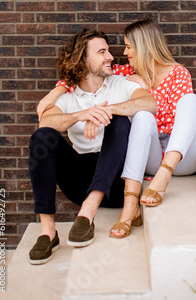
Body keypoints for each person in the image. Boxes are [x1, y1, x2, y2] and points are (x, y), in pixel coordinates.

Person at [38, 19, 196, 239]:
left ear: (144, 46)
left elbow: (177, 115)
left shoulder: (178, 74)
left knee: (191, 100)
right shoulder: (125, 72)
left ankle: (164, 175)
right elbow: (85, 72)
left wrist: (106, 110)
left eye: (128, 46)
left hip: (182, 155)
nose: (123, 53)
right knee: (142, 116)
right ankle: (130, 204)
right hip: (151, 156)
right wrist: (57, 92)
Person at [28, 28, 157, 264]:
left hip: (118, 181)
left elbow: (149, 103)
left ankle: (88, 212)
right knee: (42, 137)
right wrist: (82, 114)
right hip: (81, 180)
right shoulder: (68, 97)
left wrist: (106, 111)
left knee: (119, 120)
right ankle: (48, 232)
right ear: (84, 60)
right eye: (102, 52)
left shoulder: (121, 84)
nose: (111, 57)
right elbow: (45, 122)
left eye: (108, 51)